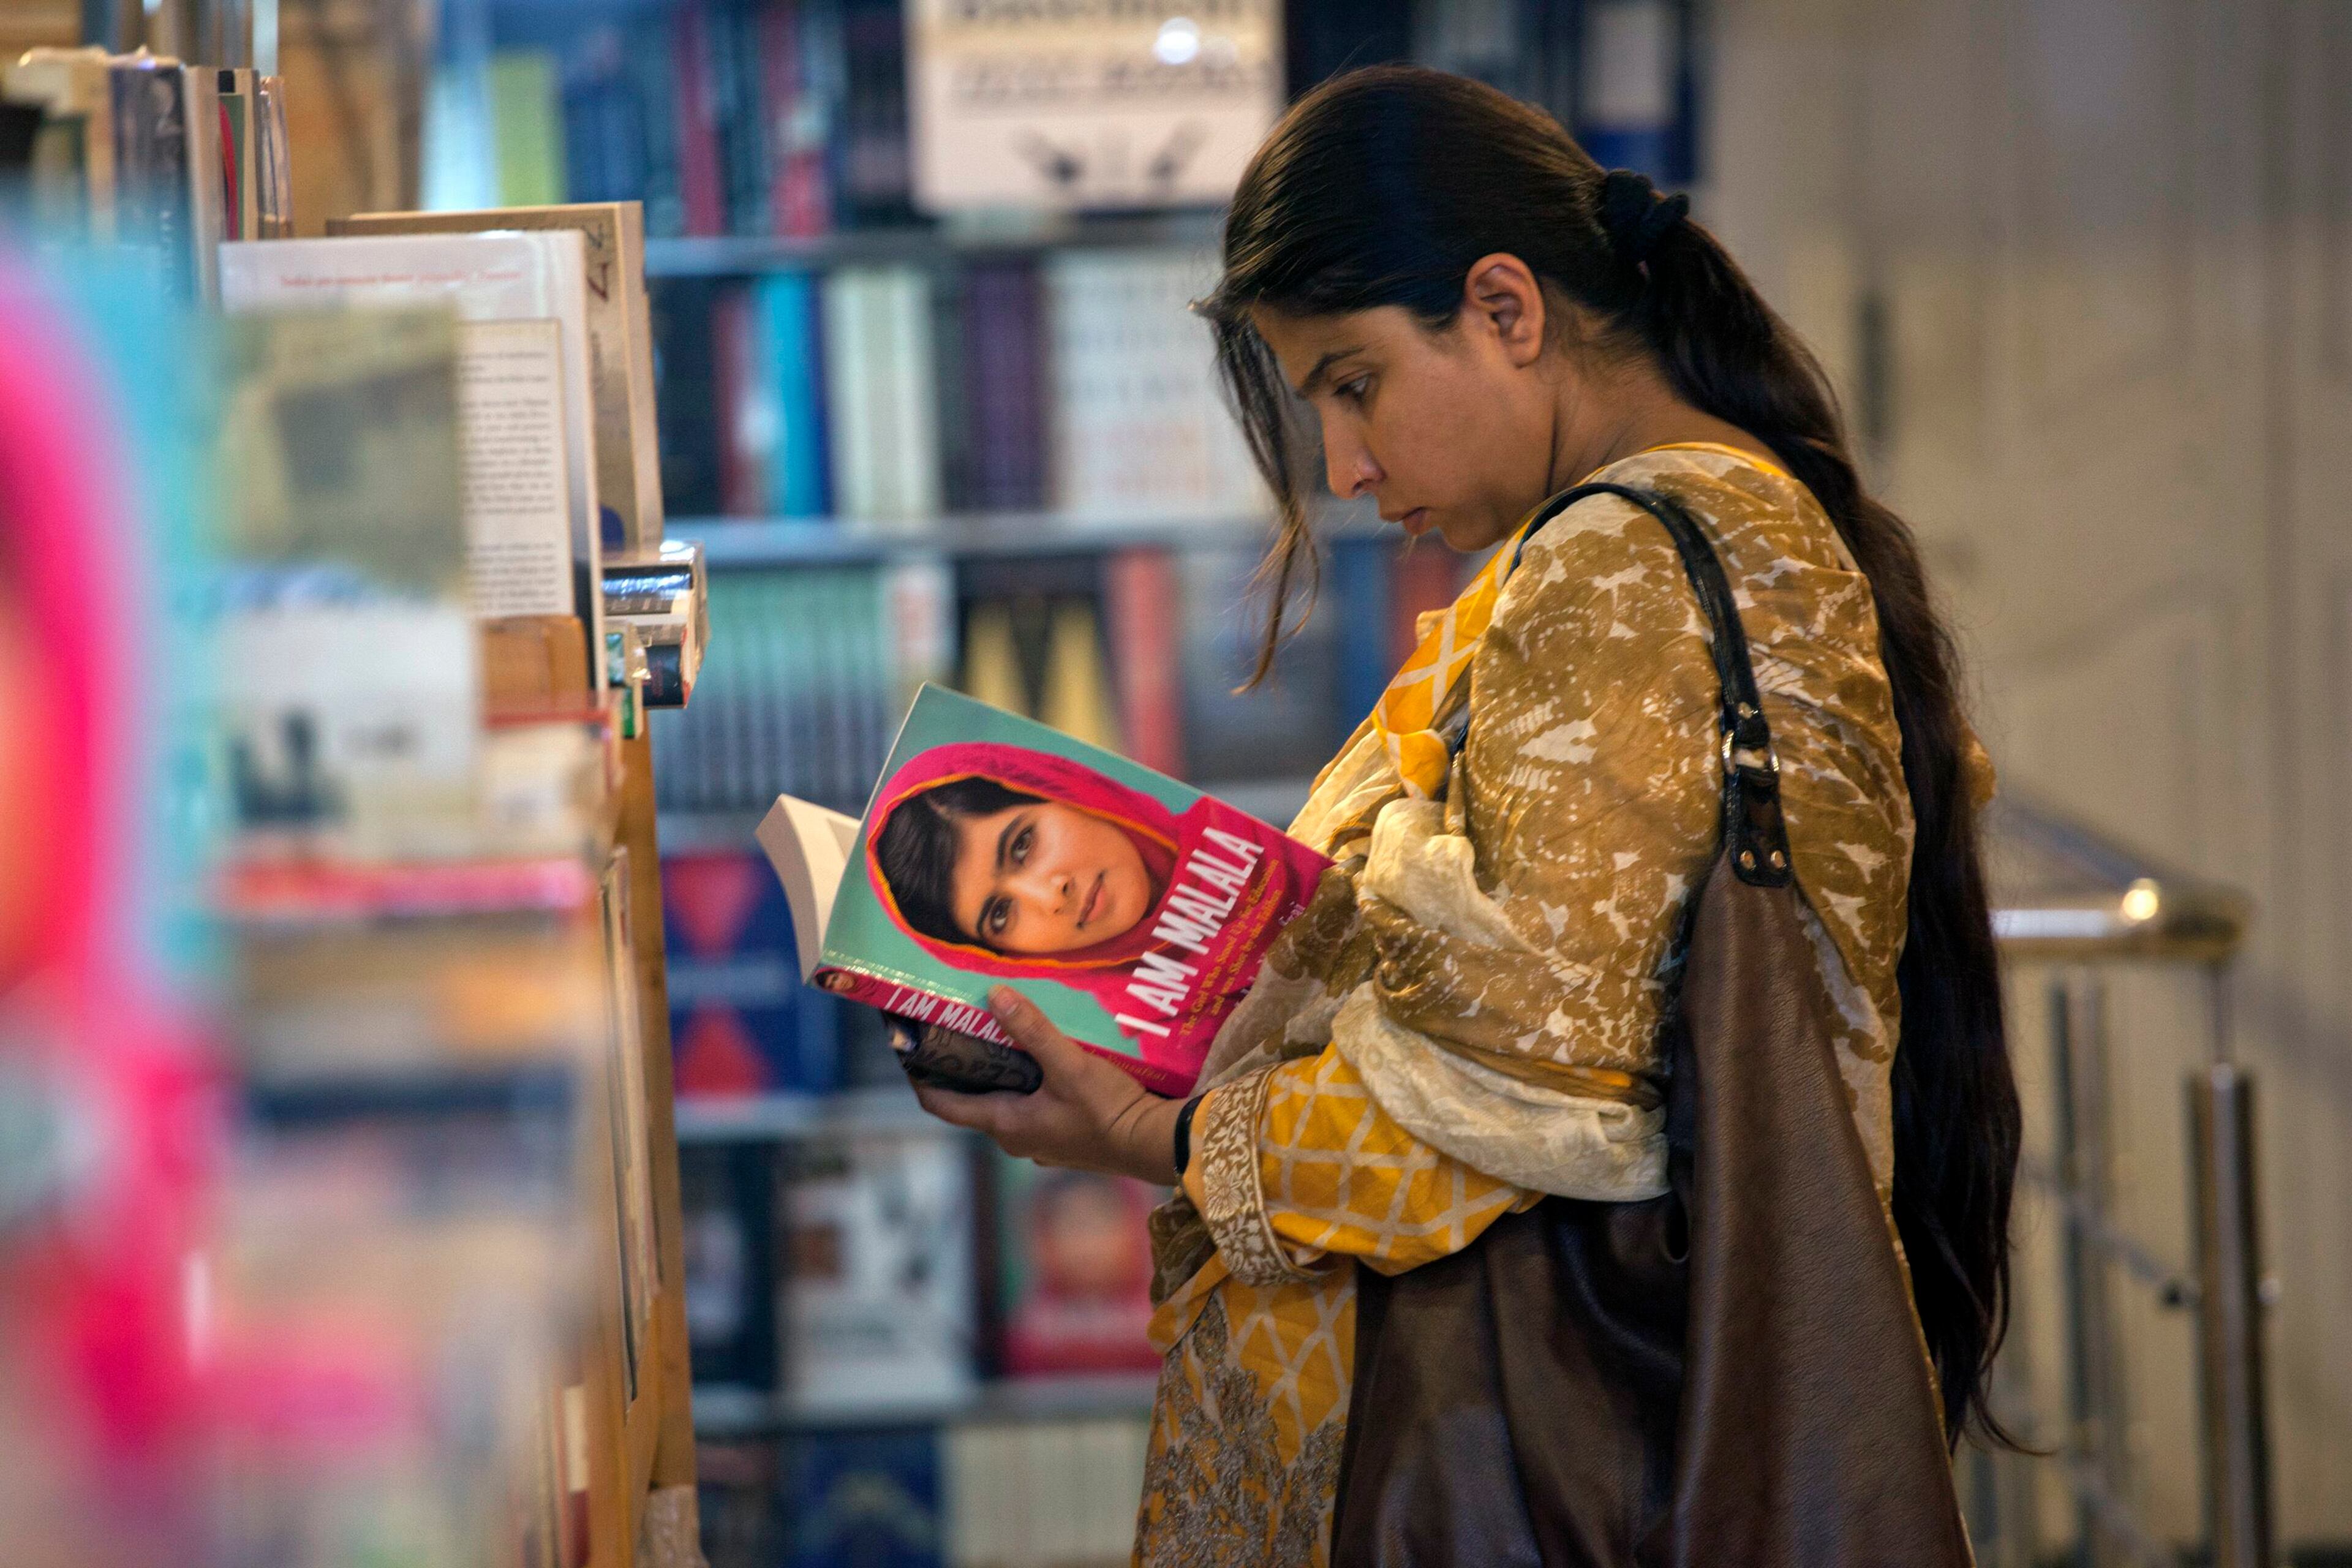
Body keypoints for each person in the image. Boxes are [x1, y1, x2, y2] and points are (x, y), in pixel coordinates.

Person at [908, 64, 2019, 1565]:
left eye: (1353, 384)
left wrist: (1157, 1130)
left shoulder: (1615, 562)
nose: (1347, 469)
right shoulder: (1714, 520)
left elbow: (1497, 1119)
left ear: (1507, 309)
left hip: (1546, 1458)